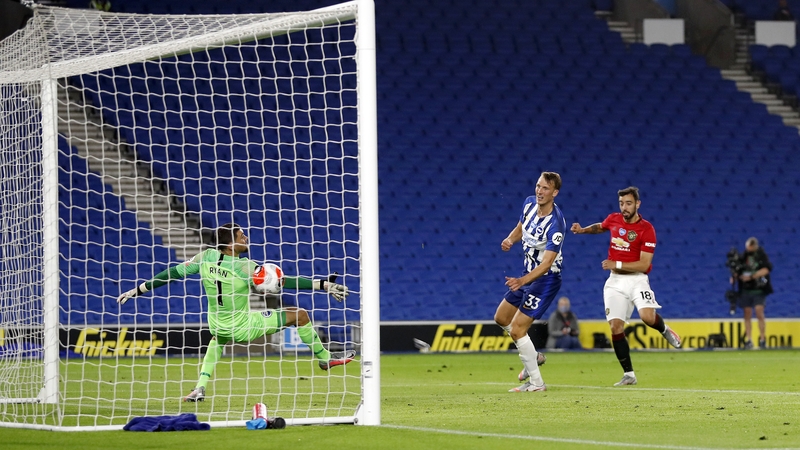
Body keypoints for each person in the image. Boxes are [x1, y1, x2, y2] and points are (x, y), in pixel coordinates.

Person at [116, 223, 355, 402]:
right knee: (300, 314)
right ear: (232, 244)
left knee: (217, 339)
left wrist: (138, 290)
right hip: (243, 326)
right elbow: (284, 281)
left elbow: (171, 274)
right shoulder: (245, 266)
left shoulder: (205, 257)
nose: (246, 237)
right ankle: (325, 359)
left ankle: (199, 387)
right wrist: (321, 284)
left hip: (217, 323)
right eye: (242, 235)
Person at [571, 186, 681, 387]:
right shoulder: (614, 219)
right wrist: (583, 230)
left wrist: (617, 263)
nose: (624, 207)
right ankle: (629, 374)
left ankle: (664, 329)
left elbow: (645, 264)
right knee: (615, 327)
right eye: (621, 203)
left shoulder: (647, 229)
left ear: (638, 204)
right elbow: (602, 226)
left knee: (648, 317)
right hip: (615, 282)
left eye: (628, 203)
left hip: (637, 279)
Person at [494, 171, 566, 393]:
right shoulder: (528, 204)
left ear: (555, 193)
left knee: (517, 330)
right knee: (501, 318)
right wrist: (510, 239)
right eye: (538, 186)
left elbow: (546, 265)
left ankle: (537, 383)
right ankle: (533, 356)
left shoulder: (556, 224)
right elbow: (521, 226)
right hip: (526, 276)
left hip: (545, 280)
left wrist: (521, 281)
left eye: (545, 188)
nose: (539, 191)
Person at [733, 237, 773, 349]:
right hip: (745, 290)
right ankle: (749, 339)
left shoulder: (761, 256)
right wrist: (737, 276)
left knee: (759, 312)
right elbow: (738, 270)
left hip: (759, 289)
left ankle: (762, 339)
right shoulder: (744, 256)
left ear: (754, 247)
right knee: (747, 314)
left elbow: (766, 269)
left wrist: (751, 277)